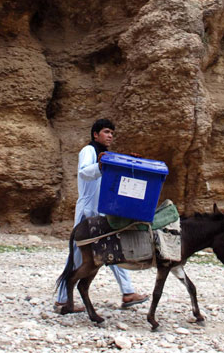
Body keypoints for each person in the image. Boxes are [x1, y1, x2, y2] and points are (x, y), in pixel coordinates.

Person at [54, 118, 149, 312]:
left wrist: (130, 164)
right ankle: (62, 300)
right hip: (86, 212)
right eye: (107, 132)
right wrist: (101, 165)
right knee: (77, 254)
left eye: (112, 133)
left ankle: (128, 292)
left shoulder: (106, 156)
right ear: (96, 134)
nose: (110, 136)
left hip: (101, 212)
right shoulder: (88, 151)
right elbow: (84, 173)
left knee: (112, 249)